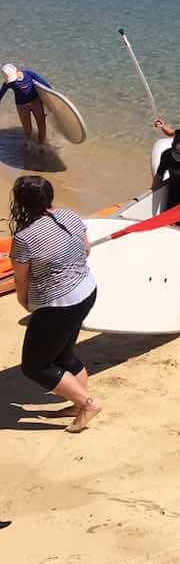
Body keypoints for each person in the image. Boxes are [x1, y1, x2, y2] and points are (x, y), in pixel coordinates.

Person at [9, 175, 102, 432]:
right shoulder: (69, 216)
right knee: (63, 354)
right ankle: (76, 403)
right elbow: (86, 250)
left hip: (59, 305)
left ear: (22, 202)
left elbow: (21, 279)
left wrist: (25, 302)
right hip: (87, 291)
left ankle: (87, 403)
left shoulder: (24, 238)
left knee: (34, 366)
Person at [1, 62, 52, 146]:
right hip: (21, 106)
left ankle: (41, 145)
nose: (12, 81)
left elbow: (45, 84)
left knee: (41, 124)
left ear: (16, 70)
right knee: (28, 130)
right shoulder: (8, 83)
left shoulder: (29, 74)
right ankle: (29, 147)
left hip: (35, 102)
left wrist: (52, 101)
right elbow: (1, 94)